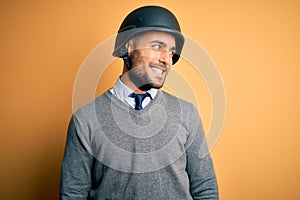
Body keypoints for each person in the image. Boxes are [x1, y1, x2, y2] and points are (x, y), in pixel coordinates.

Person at [60, 5, 219, 200]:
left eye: (171, 52)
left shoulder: (187, 114)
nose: (166, 59)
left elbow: (206, 190)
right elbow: (72, 194)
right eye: (157, 46)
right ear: (128, 46)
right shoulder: (85, 120)